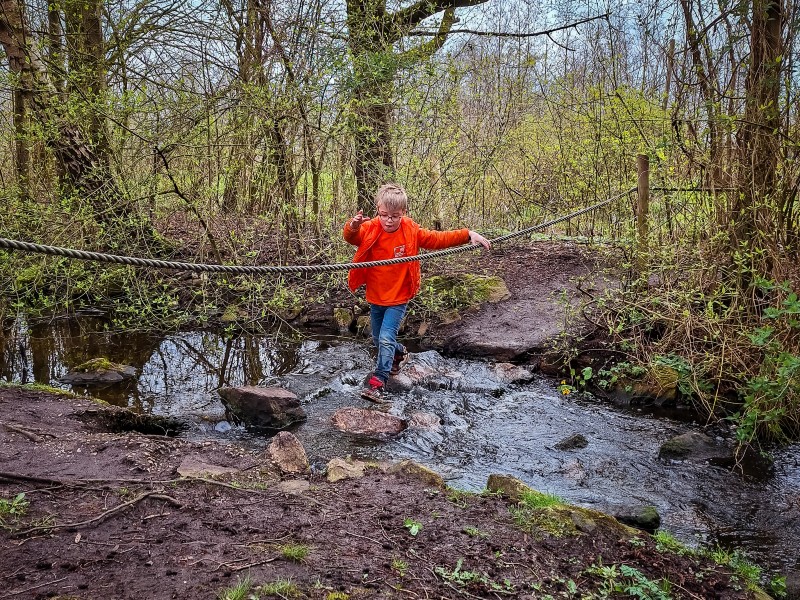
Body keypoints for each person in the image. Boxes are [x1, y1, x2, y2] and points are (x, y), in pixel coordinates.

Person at [343, 183, 491, 401]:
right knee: (377, 338)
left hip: (399, 297)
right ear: (377, 210)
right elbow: (351, 238)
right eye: (384, 215)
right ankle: (400, 353)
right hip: (375, 295)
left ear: (403, 213)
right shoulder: (371, 228)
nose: (389, 220)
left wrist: (468, 234)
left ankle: (378, 383)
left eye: (395, 216)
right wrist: (353, 226)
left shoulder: (410, 231)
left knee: (385, 338)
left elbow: (437, 238)